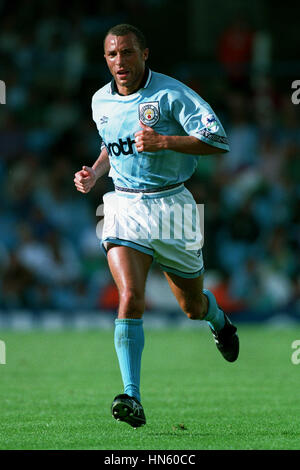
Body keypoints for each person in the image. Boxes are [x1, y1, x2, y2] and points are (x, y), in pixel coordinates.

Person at [74, 24, 239, 429]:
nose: (120, 62)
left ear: (144, 54)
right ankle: (132, 395)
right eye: (113, 55)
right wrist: (95, 174)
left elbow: (218, 140)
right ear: (106, 59)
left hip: (174, 207)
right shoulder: (100, 101)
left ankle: (217, 320)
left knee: (191, 307)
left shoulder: (171, 95)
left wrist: (167, 142)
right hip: (124, 204)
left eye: (128, 53)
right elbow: (112, 147)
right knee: (130, 296)